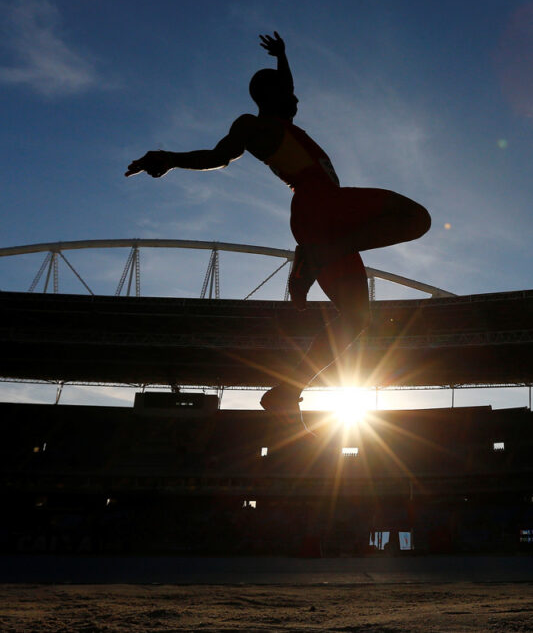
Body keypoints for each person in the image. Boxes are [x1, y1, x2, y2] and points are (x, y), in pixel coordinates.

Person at [126, 32, 431, 431]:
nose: (298, 99)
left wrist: (284, 56)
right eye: (289, 94)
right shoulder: (254, 124)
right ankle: (315, 256)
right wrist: (168, 158)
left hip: (322, 221)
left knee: (357, 320)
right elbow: (219, 156)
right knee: (415, 217)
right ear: (269, 97)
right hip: (319, 204)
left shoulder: (281, 120)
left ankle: (286, 391)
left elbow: (287, 88)